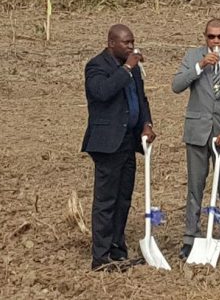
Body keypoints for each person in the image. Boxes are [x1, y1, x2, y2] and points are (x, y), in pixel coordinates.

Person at [172, 18, 220, 260]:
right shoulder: (193, 56)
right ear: (204, 37)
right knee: (195, 186)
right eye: (211, 37)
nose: (216, 41)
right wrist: (199, 66)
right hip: (198, 130)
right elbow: (176, 85)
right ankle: (190, 236)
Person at [82, 24, 157, 272]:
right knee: (106, 200)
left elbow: (141, 98)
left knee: (123, 197)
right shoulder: (96, 66)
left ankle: (117, 250)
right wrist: (127, 68)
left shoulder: (132, 70)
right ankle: (101, 257)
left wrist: (146, 123)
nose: (131, 46)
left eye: (132, 42)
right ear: (111, 43)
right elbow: (102, 92)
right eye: (126, 42)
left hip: (128, 140)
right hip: (107, 143)